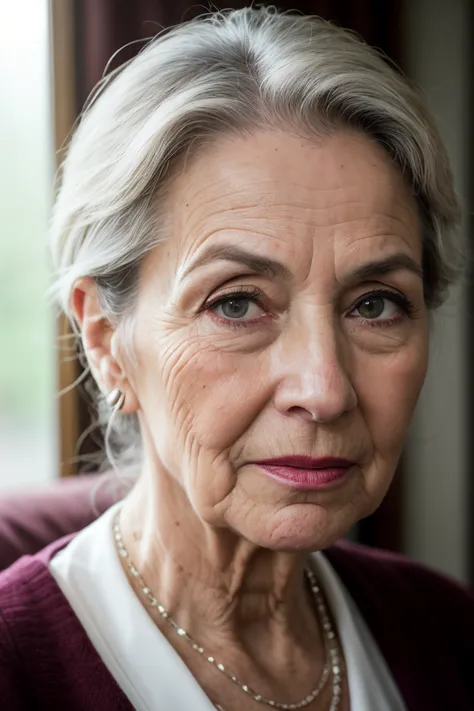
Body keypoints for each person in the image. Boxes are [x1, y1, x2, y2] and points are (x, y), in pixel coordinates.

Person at [1, 7, 473, 711]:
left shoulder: (448, 631)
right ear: (105, 338)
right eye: (237, 303)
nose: (324, 388)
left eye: (374, 304)